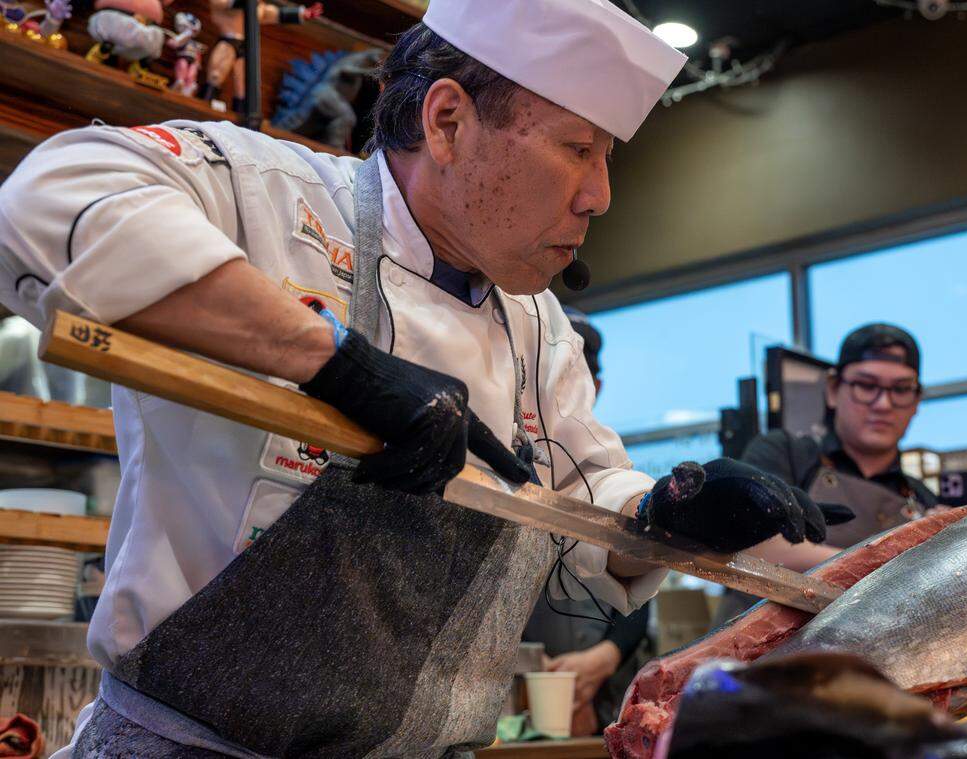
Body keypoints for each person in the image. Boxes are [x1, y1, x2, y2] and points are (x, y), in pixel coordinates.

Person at [0, 1, 842, 755]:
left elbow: (579, 505)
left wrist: (669, 509)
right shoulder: (267, 195)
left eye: (607, 156)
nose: (600, 196)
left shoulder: (536, 318)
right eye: (578, 149)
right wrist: (334, 363)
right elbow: (43, 195)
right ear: (446, 122)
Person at [714, 323, 938, 626]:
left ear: (916, 402)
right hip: (757, 655)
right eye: (866, 385)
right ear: (833, 389)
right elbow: (755, 547)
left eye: (900, 389)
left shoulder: (922, 498)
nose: (883, 404)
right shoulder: (785, 454)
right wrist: (899, 567)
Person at [523, 306, 648, 737]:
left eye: (569, 380)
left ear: (592, 386)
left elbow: (639, 595)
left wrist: (608, 654)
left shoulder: (620, 473)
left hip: (600, 684)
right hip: (513, 683)